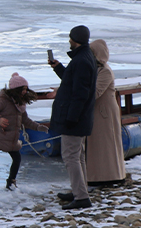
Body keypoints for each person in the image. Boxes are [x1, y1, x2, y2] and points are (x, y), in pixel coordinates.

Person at [48, 25, 98, 210]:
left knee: (70, 157)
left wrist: (71, 118)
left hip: (75, 120)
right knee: (78, 156)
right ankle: (79, 190)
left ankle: (81, 197)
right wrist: (59, 68)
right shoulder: (83, 58)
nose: (69, 41)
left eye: (70, 38)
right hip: (79, 118)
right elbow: (72, 82)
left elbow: (80, 94)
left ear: (74, 39)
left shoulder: (82, 61)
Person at [85, 39, 126, 186]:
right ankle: (97, 176)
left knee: (108, 144)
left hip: (105, 112)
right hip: (98, 110)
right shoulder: (96, 69)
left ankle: (112, 175)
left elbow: (95, 92)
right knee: (98, 145)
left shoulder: (105, 71)